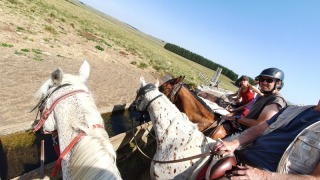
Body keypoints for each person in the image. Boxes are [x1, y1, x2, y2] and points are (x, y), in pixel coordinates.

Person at [213, 100, 320, 179]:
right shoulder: (292, 110)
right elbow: (260, 128)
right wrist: (235, 143)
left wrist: (264, 176)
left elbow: (316, 177)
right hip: (243, 155)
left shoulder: (275, 100)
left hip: (269, 174)